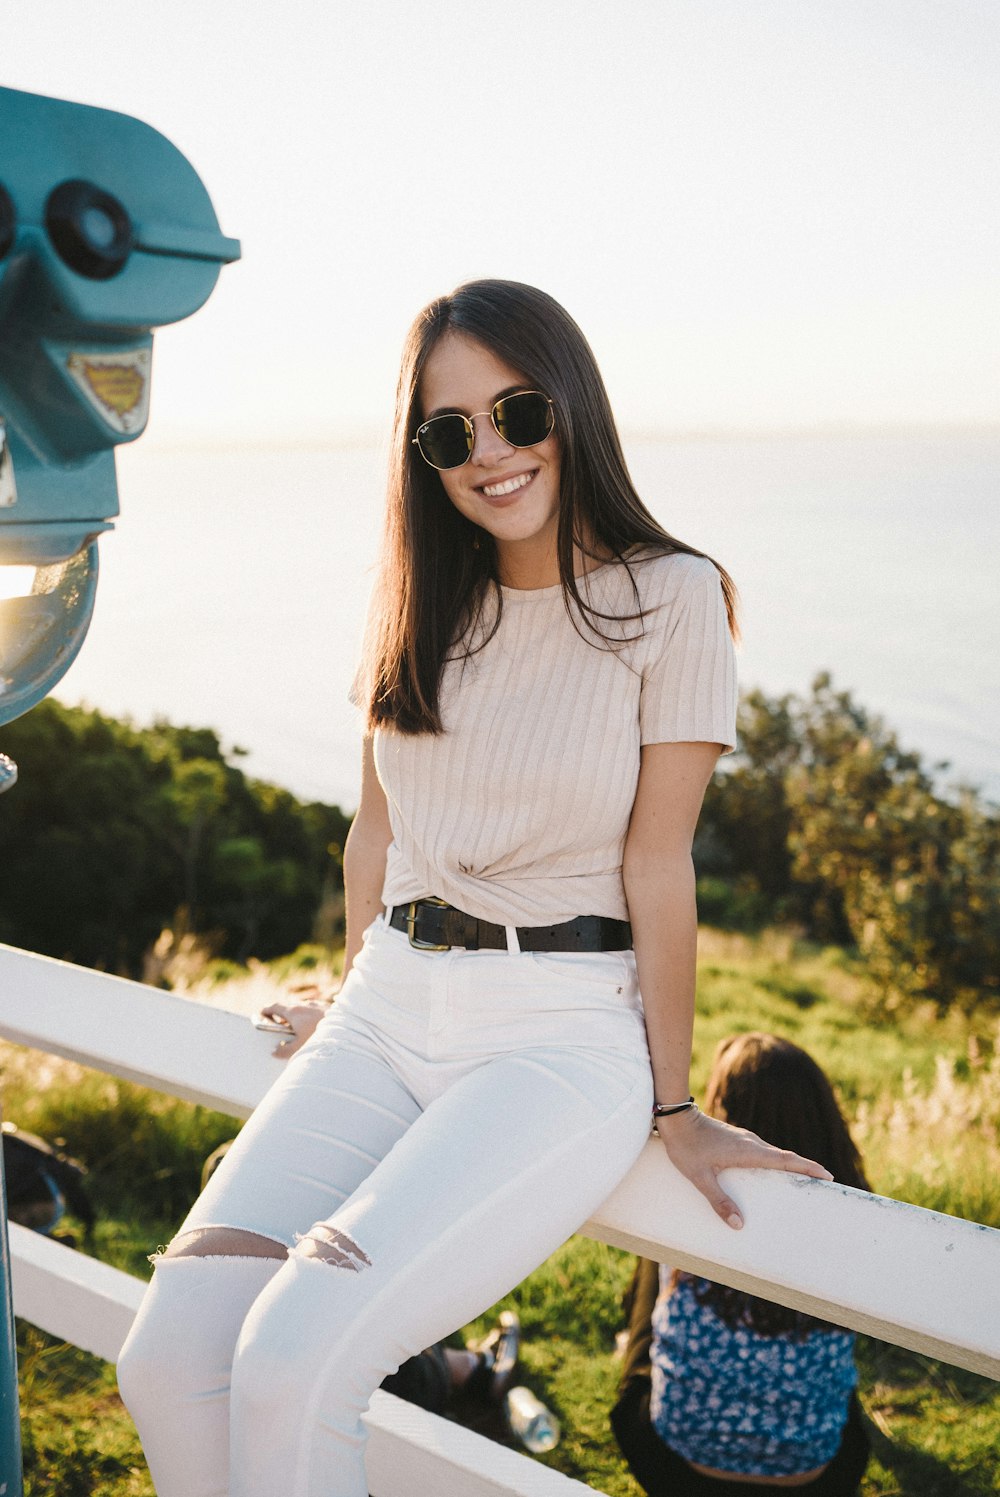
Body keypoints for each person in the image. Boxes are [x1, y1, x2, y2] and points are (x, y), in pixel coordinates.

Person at [116, 278, 833, 1497]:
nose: (488, 454)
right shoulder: (417, 604)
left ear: (571, 405)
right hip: (387, 1010)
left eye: (515, 411)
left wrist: (674, 1106)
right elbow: (372, 839)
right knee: (169, 1347)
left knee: (295, 1358)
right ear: (423, 456)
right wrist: (347, 996)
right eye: (450, 433)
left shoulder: (671, 596)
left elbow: (660, 867)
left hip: (557, 1039)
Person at [611, 1033, 872, 1495]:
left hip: (675, 1467)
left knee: (656, 1258)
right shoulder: (855, 1210)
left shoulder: (692, 1192)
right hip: (817, 1476)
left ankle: (629, 1335)